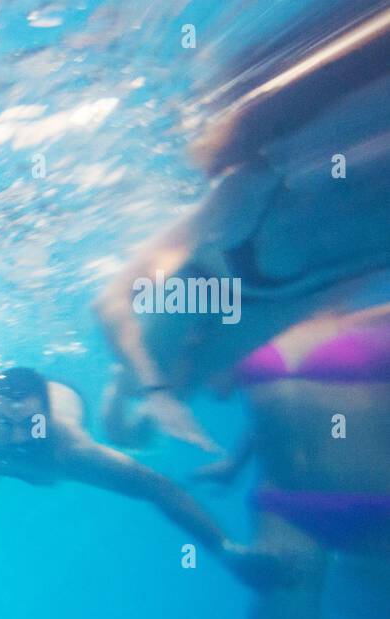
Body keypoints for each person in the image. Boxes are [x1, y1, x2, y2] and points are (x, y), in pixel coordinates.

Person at [94, 6, 390, 453]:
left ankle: (141, 394)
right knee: (156, 380)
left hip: (284, 289)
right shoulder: (241, 191)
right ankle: (125, 389)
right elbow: (107, 306)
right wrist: (152, 391)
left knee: (176, 389)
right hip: (225, 275)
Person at [0, 367, 286, 587]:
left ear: (44, 420)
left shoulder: (69, 450)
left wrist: (224, 548)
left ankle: (122, 392)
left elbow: (158, 488)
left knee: (132, 442)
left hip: (69, 394)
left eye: (27, 426)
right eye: (5, 424)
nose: (15, 437)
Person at [191, 303, 390, 619]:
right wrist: (235, 464)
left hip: (378, 498)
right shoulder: (247, 323)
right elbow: (275, 403)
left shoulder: (377, 314)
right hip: (286, 506)